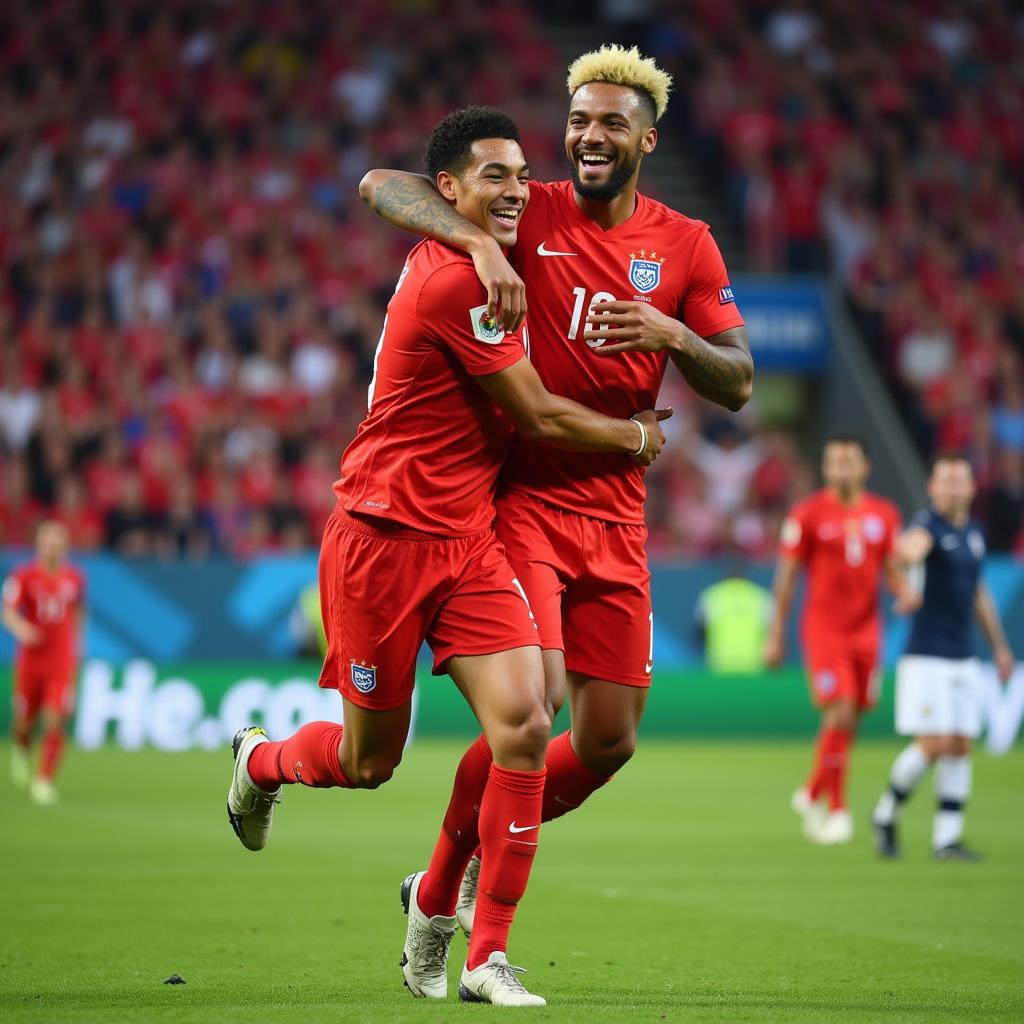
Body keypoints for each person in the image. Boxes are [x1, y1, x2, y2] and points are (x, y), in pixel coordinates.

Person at [225, 107, 669, 1008]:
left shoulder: (490, 250)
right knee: (368, 762)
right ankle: (261, 761)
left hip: (467, 540)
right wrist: (632, 435)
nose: (515, 190)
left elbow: (390, 188)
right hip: (381, 542)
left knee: (527, 726)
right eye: (492, 177)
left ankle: (475, 949)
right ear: (451, 192)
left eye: (519, 174)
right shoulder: (451, 282)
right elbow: (539, 415)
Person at [359, 44, 752, 936]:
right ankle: (465, 911)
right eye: (578, 121)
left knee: (609, 740)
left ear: (647, 140)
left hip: (618, 514)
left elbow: (737, 379)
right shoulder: (521, 209)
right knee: (531, 717)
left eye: (612, 122)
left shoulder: (686, 243)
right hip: (521, 506)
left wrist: (670, 334)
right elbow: (382, 182)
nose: (590, 136)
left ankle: (435, 881)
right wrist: (468, 240)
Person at [764, 435, 911, 844]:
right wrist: (776, 633)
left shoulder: (884, 514)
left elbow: (892, 568)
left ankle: (810, 791)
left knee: (853, 715)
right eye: (833, 462)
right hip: (825, 629)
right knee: (841, 708)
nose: (840, 469)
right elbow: (787, 577)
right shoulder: (808, 513)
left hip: (868, 629)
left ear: (865, 467)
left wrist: (904, 592)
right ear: (825, 469)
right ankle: (838, 809)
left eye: (848, 462)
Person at [872, 453, 1015, 860]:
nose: (954, 488)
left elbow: (977, 592)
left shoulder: (973, 531)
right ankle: (885, 812)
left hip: (963, 654)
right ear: (933, 488)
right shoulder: (926, 527)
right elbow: (905, 553)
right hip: (927, 655)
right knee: (935, 742)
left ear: (971, 488)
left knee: (961, 743)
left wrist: (1000, 645)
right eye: (946, 481)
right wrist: (904, 580)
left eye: (960, 480)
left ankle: (946, 840)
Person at [2, 520, 85, 805]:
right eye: (49, 539)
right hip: (30, 662)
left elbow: (79, 613)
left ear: (65, 545)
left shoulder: (74, 578)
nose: (54, 545)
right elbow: (8, 611)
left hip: (60, 661)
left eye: (59, 539)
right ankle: (22, 747)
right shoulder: (23, 576)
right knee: (24, 723)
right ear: (39, 543)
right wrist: (22, 629)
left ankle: (44, 779)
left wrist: (77, 647)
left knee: (54, 719)